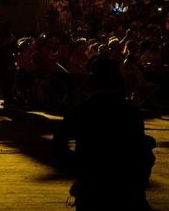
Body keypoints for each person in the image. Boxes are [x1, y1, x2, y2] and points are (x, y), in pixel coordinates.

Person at [53, 57, 155, 211]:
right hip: (125, 187)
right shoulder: (130, 112)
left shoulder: (82, 111)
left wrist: (79, 170)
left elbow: (59, 144)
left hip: (92, 187)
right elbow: (140, 150)